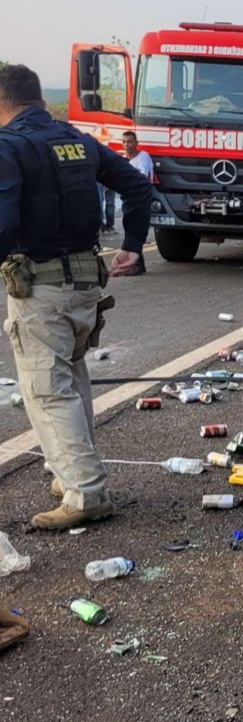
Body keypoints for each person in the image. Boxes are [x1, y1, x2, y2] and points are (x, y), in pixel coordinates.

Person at [0, 64, 151, 530]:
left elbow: (4, 220)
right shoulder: (78, 140)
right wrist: (131, 247)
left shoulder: (9, 146)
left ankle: (85, 494)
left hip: (40, 283)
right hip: (86, 280)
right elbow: (137, 187)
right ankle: (66, 472)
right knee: (71, 375)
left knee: (47, 389)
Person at [121, 131, 153, 275]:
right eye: (124, 142)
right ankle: (135, 263)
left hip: (141, 198)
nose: (127, 145)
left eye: (130, 142)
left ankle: (137, 265)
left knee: (136, 231)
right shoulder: (122, 160)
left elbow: (141, 177)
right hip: (128, 199)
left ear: (136, 143)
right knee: (129, 230)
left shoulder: (143, 157)